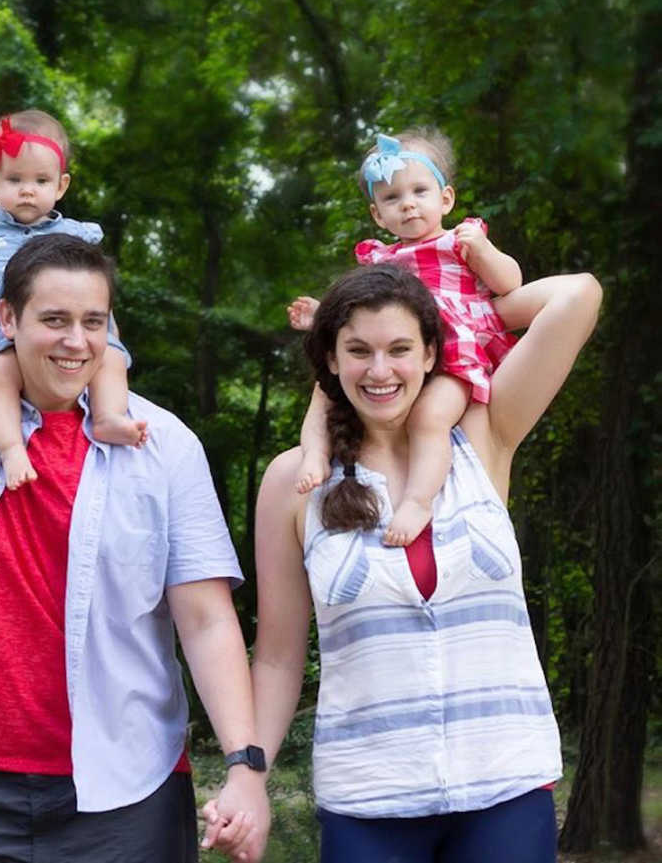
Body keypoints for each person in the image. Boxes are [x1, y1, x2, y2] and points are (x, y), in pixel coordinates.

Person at [0, 229, 269, 863]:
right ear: (8, 317)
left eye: (93, 321)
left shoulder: (162, 442)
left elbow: (205, 619)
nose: (75, 341)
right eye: (53, 319)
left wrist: (246, 767)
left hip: (129, 790)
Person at [252, 264, 601, 862]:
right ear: (331, 361)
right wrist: (247, 774)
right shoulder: (295, 481)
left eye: (400, 348)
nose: (380, 370)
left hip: (506, 784)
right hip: (368, 797)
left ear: (431, 352)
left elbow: (578, 295)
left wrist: (456, 304)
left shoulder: (483, 438)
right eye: (358, 349)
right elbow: (279, 658)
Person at [288, 128, 522, 546]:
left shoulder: (460, 242)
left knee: (428, 419)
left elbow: (509, 284)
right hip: (399, 360)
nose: (408, 203)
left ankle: (417, 499)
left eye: (419, 191)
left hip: (452, 356)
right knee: (324, 392)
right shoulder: (381, 259)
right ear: (378, 215)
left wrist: (484, 252)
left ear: (445, 199)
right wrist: (322, 315)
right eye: (393, 198)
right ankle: (314, 455)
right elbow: (365, 318)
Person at [0, 109, 146, 490]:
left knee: (111, 356)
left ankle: (108, 415)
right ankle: (11, 447)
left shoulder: (74, 234)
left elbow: (91, 288)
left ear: (61, 186)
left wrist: (105, 328)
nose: (27, 190)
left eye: (40, 180)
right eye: (15, 179)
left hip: (59, 325)